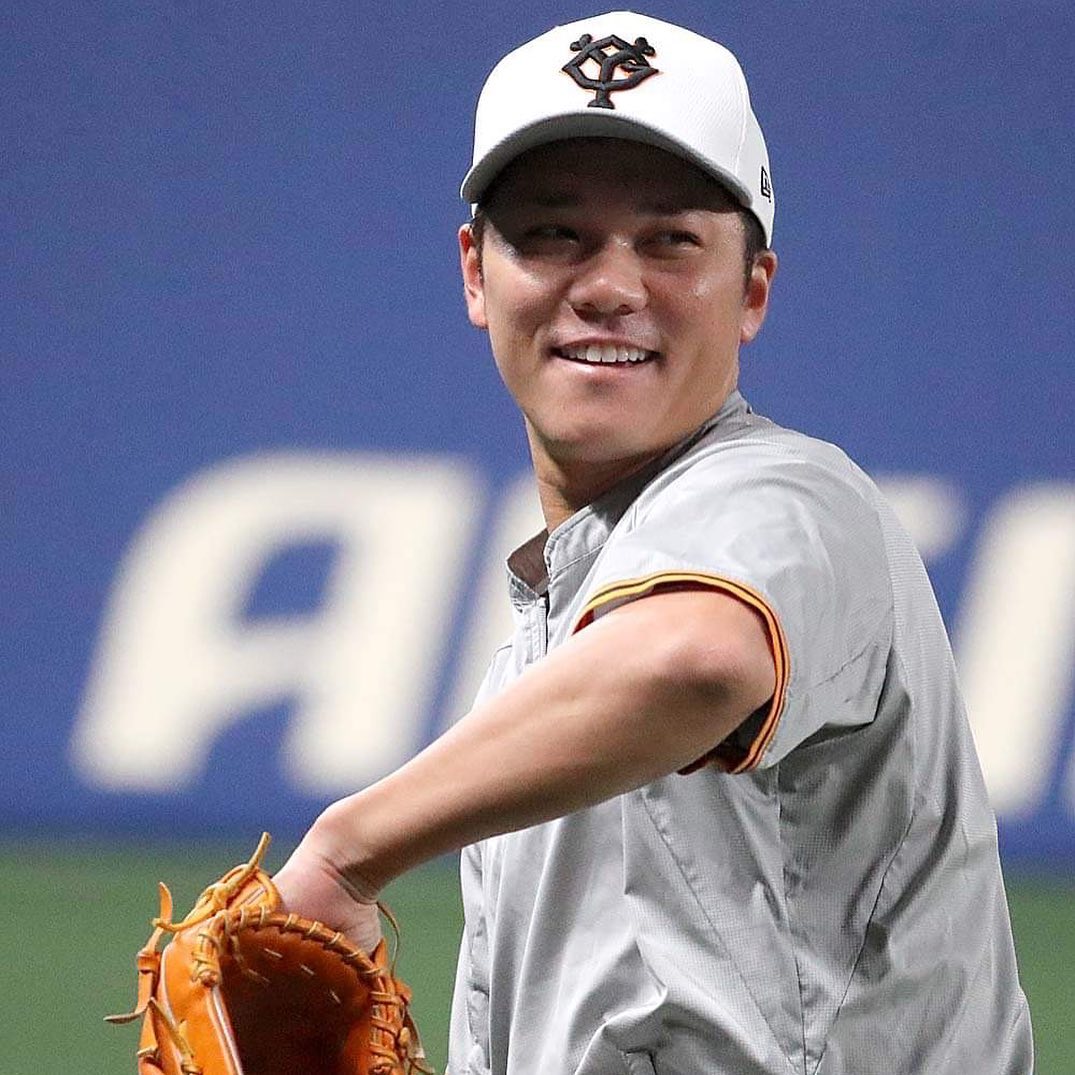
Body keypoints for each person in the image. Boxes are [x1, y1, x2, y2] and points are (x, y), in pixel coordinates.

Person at [273, 12, 1033, 1073]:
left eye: (669, 240)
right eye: (552, 233)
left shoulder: (793, 496)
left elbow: (694, 658)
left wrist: (347, 855)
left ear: (752, 289)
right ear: (476, 274)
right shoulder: (531, 674)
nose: (608, 285)